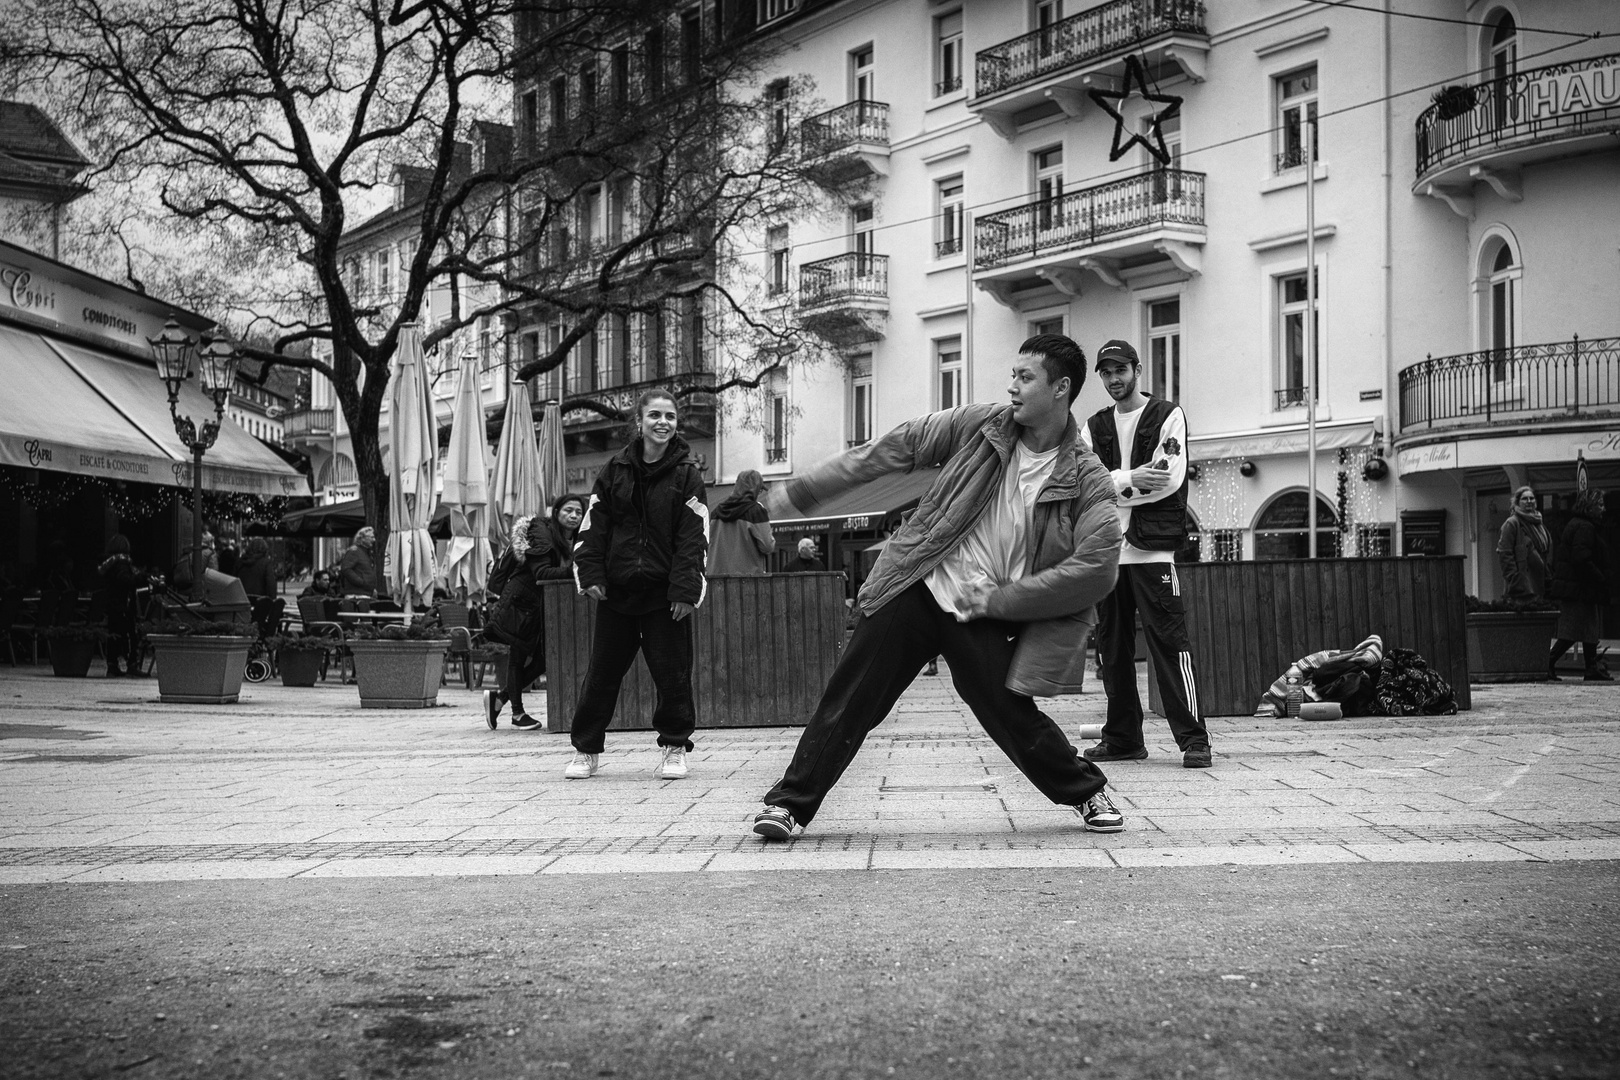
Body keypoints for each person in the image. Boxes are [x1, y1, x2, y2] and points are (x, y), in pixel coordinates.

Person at [752, 334, 1127, 841]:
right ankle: (788, 805)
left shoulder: (1087, 477)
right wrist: (807, 489)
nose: (1012, 387)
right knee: (850, 697)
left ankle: (1085, 792)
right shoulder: (981, 426)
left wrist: (1001, 601)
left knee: (1009, 712)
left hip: (981, 609)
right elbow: (895, 447)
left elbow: (1098, 568)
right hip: (919, 583)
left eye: (1025, 377)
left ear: (1061, 389)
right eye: (1012, 375)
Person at [1080, 339, 1212, 770]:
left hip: (1152, 553)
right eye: (1106, 372)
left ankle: (1194, 740)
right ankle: (1123, 739)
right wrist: (1131, 478)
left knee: (1171, 647)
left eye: (1121, 370)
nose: (1114, 379)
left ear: (1137, 370)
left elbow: (1167, 479)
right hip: (1105, 555)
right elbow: (1080, 483)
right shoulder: (1092, 425)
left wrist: (1111, 484)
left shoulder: (1166, 415)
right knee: (1112, 653)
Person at [566, 389, 709, 781]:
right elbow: (593, 528)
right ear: (639, 422)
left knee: (673, 675)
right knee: (601, 674)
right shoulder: (614, 470)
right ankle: (586, 750)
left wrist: (685, 590)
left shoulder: (688, 475)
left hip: (666, 598)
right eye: (655, 416)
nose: (663, 423)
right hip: (617, 594)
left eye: (670, 417)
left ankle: (675, 747)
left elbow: (694, 538)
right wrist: (590, 575)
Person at [482, 515, 553, 730]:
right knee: (519, 656)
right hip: (521, 604)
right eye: (568, 511)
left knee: (540, 660)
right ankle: (517, 713)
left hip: (533, 605)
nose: (573, 516)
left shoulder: (538, 538)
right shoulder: (536, 540)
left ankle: (501, 699)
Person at [1548, 488, 1611, 681]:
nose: (1603, 509)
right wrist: (1599, 577)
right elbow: (1581, 558)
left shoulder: (1579, 524)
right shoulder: (1585, 527)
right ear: (1589, 507)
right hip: (1580, 589)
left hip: (1578, 588)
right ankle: (1548, 662)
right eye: (1599, 504)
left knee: (1586, 629)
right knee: (1574, 630)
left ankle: (1591, 667)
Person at [707, 469, 776, 575]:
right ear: (755, 489)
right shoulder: (756, 511)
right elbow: (767, 546)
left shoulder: (716, 512)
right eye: (759, 490)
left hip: (716, 579)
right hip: (746, 580)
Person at [1498, 486, 1551, 602]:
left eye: (1531, 498)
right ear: (1517, 502)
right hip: (1521, 590)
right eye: (1525, 499)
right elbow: (1504, 554)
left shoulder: (1539, 523)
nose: (1529, 501)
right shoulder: (1512, 523)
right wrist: (1515, 581)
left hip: (1540, 586)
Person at [98, 535, 141, 677]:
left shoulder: (109, 563)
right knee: (130, 634)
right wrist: (140, 578)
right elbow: (125, 580)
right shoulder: (123, 563)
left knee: (113, 635)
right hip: (124, 604)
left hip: (112, 604)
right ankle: (132, 664)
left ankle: (112, 665)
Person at [337, 527, 377, 597]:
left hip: (364, 593)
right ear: (362, 538)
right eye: (371, 537)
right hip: (356, 594)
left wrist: (371, 588)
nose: (374, 540)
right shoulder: (354, 551)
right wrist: (361, 582)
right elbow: (346, 569)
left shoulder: (365, 553)